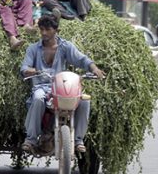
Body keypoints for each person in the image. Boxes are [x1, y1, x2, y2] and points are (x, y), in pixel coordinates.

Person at [20, 14, 105, 153]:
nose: (43, 33)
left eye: (47, 29)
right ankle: (31, 139)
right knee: (38, 98)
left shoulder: (65, 46)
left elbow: (82, 59)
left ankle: (78, 140)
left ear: (56, 30)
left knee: (84, 101)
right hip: (41, 87)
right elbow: (24, 68)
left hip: (62, 87)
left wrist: (94, 68)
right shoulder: (33, 49)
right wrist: (30, 71)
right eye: (41, 29)